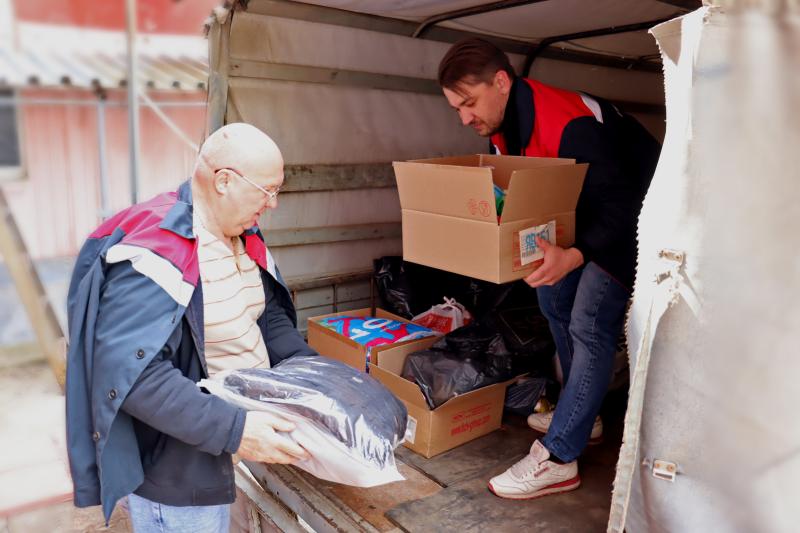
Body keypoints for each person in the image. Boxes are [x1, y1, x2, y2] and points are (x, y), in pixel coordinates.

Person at [437, 38, 661, 499]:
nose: (464, 118)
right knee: (550, 296)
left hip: (638, 214)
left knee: (588, 322)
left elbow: (623, 207)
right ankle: (585, 412)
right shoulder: (502, 123)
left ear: (501, 82)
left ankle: (560, 456)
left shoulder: (570, 123)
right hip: (587, 211)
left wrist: (575, 255)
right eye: (456, 107)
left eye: (469, 103)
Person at [65, 123, 318, 532]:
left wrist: (312, 371)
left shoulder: (240, 234)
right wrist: (236, 431)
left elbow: (265, 316)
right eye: (268, 190)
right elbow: (135, 378)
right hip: (176, 471)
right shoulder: (155, 252)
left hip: (218, 445)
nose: (273, 204)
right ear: (224, 181)